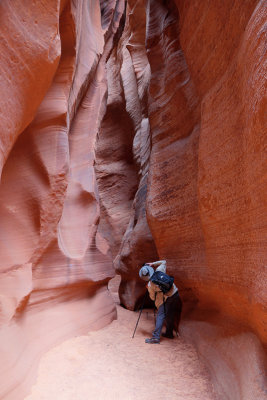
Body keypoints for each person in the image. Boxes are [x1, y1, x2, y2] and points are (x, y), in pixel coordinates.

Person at [139, 260, 182, 344]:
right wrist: (153, 263)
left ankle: (155, 337)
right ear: (150, 269)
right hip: (175, 293)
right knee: (170, 313)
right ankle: (169, 333)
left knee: (160, 315)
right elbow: (164, 262)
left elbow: (152, 298)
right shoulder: (159, 270)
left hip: (166, 298)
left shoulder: (150, 285)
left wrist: (149, 289)